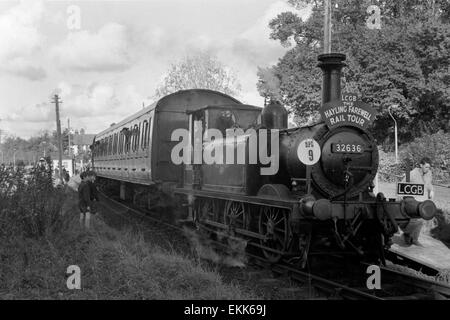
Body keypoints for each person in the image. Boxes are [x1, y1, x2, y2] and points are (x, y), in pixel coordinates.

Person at [400, 157, 434, 246]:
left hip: (423, 201)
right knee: (415, 220)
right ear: (421, 165)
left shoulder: (429, 173)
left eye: (429, 167)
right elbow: (403, 185)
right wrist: (403, 199)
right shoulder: (412, 174)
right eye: (426, 167)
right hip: (413, 200)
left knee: (420, 221)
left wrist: (431, 190)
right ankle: (406, 234)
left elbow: (429, 184)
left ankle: (414, 239)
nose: (428, 169)